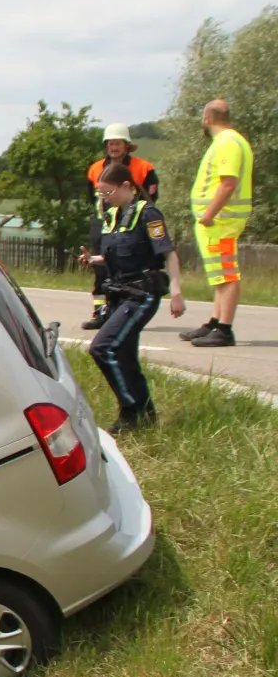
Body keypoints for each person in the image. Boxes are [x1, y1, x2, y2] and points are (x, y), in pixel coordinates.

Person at [81, 162, 186, 433]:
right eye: (101, 196)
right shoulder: (112, 217)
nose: (105, 200)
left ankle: (131, 410)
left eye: (109, 193)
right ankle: (147, 416)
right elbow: (117, 255)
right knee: (126, 356)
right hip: (119, 295)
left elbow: (168, 254)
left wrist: (176, 292)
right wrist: (92, 259)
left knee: (102, 348)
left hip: (141, 295)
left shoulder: (148, 214)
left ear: (127, 187)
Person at [179, 99, 254, 348]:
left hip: (221, 220)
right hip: (219, 220)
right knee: (220, 274)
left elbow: (227, 183)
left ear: (207, 118)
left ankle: (224, 328)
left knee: (227, 273)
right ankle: (216, 321)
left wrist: (209, 214)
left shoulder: (226, 143)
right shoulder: (232, 141)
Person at [81, 124, 161, 329]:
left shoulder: (144, 168)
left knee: (125, 267)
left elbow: (152, 196)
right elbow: (92, 196)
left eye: (118, 143)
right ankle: (99, 312)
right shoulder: (95, 168)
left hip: (131, 224)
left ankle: (122, 309)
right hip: (103, 223)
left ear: (126, 145)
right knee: (100, 269)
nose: (114, 147)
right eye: (110, 143)